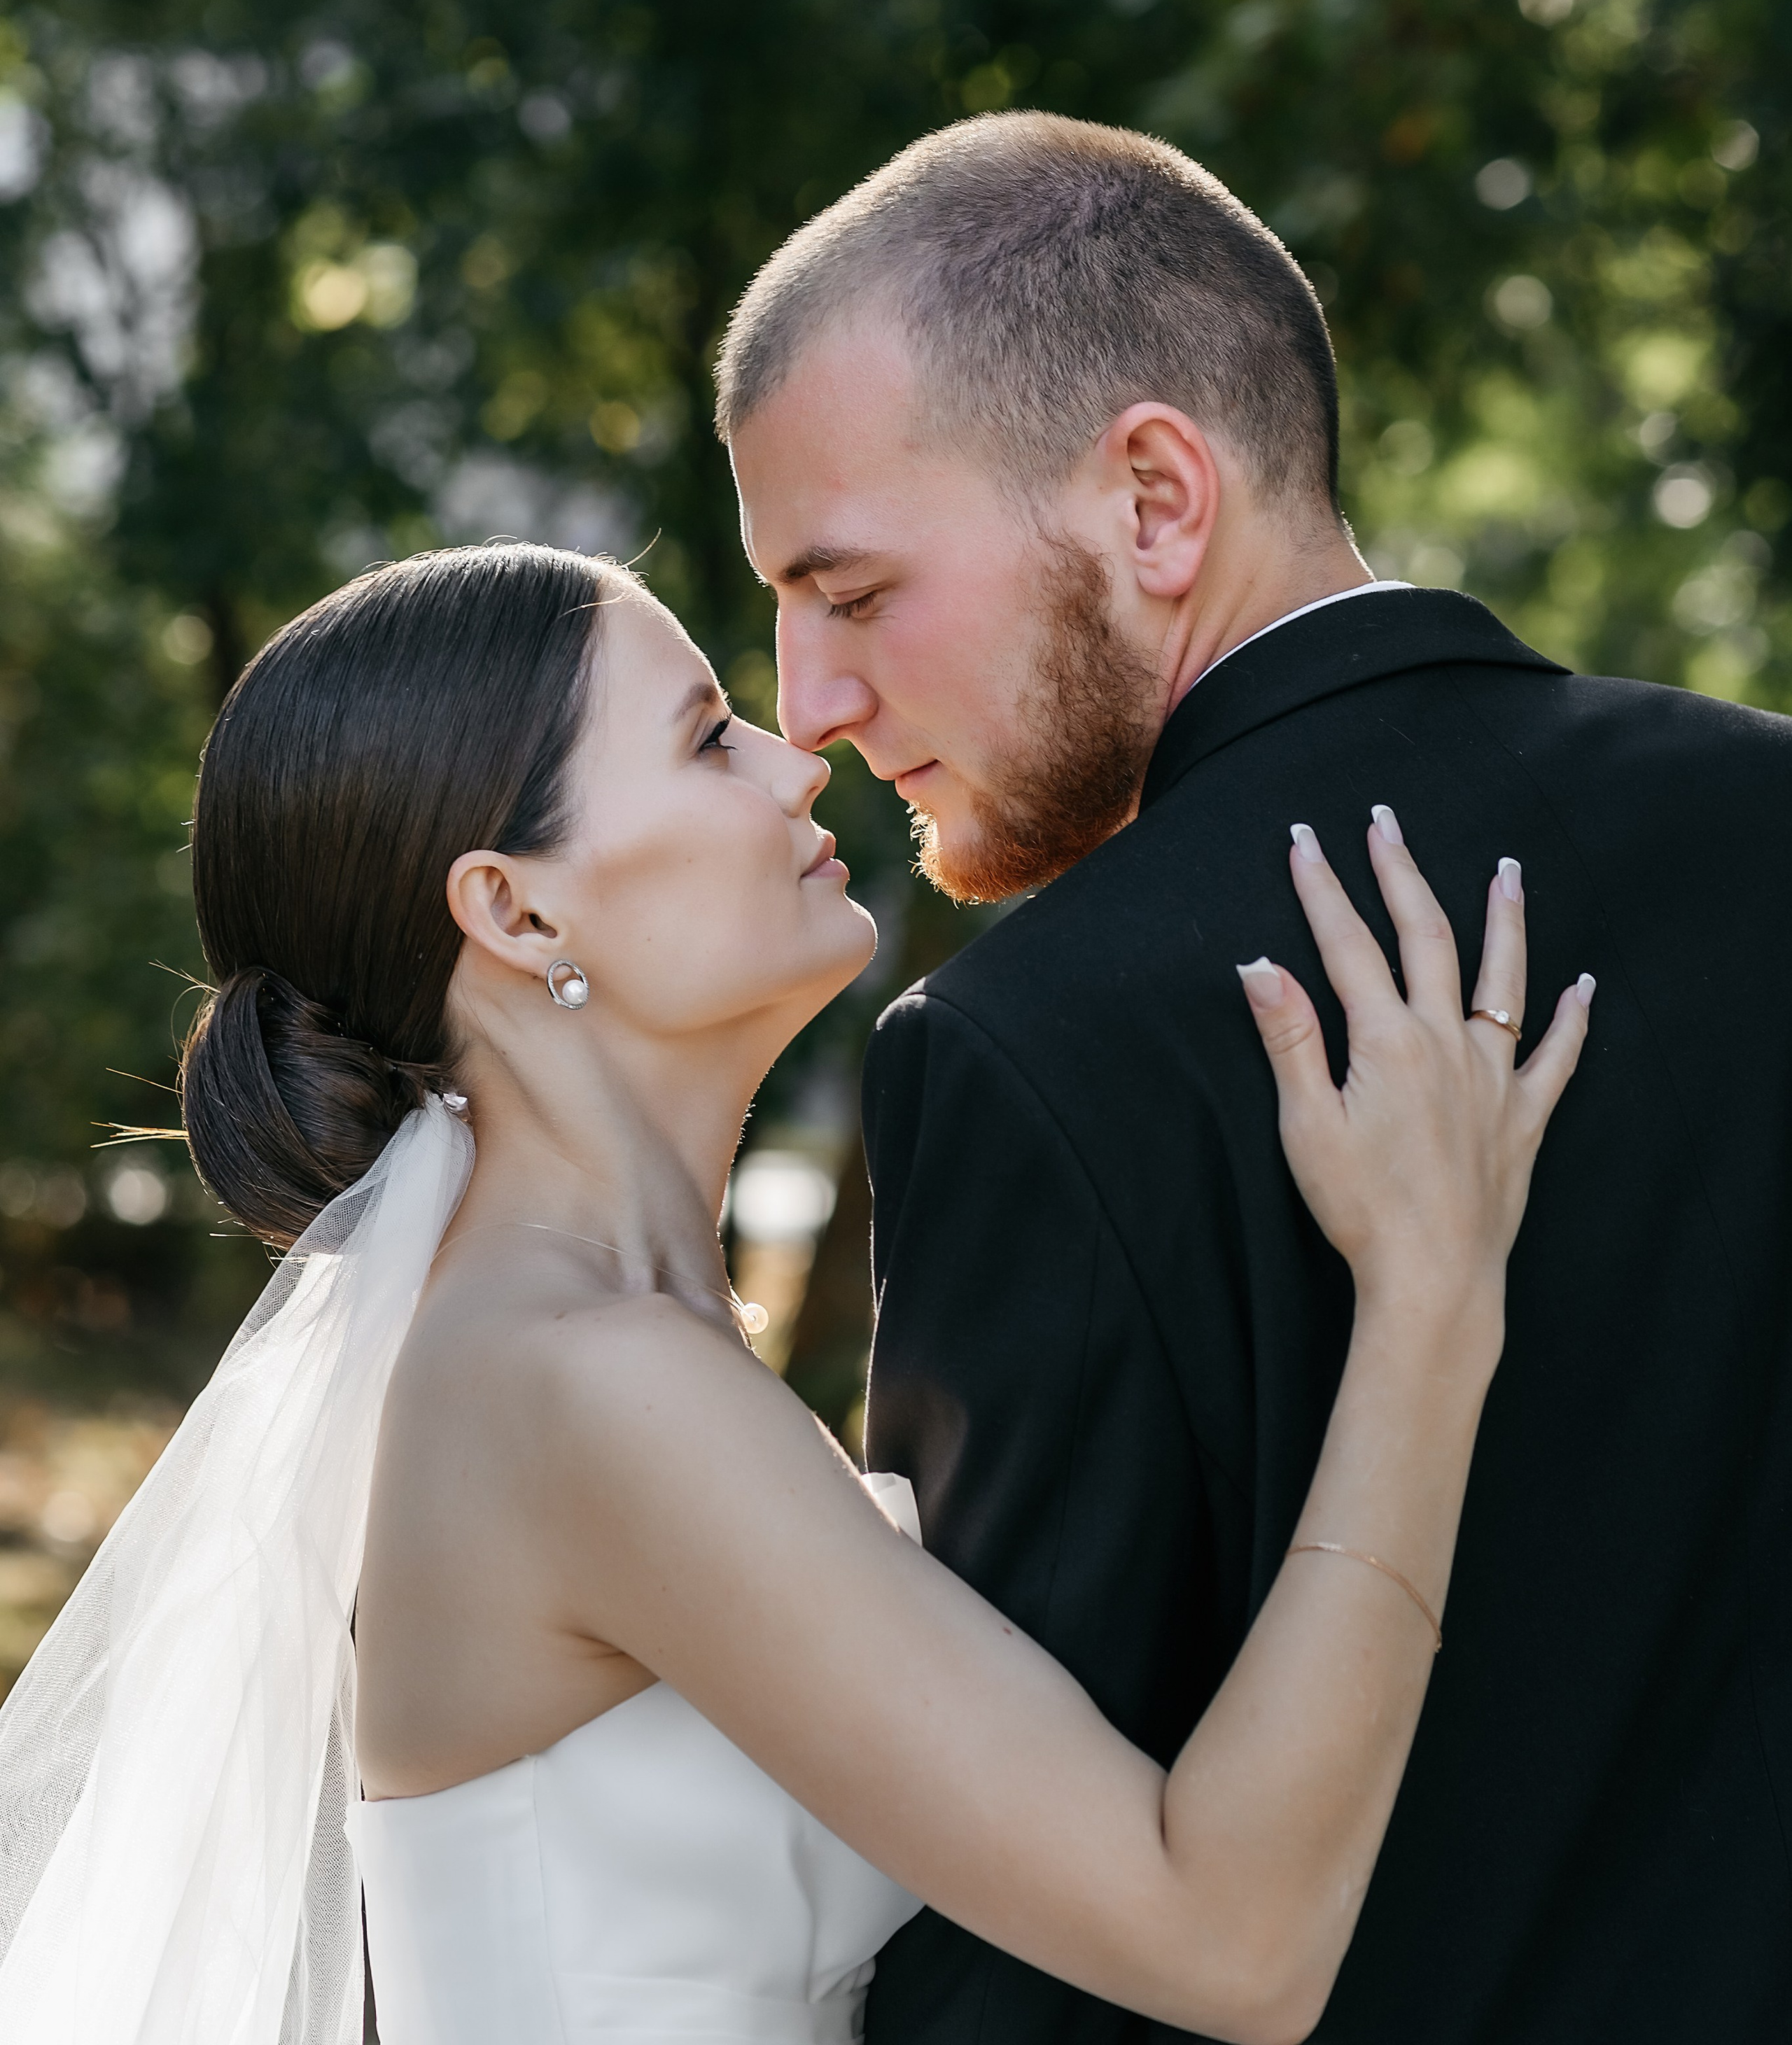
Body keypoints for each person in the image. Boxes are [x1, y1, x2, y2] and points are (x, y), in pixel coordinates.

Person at [0, 540, 1586, 2045]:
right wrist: (1429, 1300)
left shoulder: (581, 1352)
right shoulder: (580, 1385)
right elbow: (1229, 1939)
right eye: (706, 740)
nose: (795, 760)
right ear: (516, 911)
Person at [718, 108, 1792, 2045]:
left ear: (1153, 500)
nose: (810, 705)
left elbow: (1030, 1946)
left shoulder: (1031, 1050)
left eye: (855, 594)